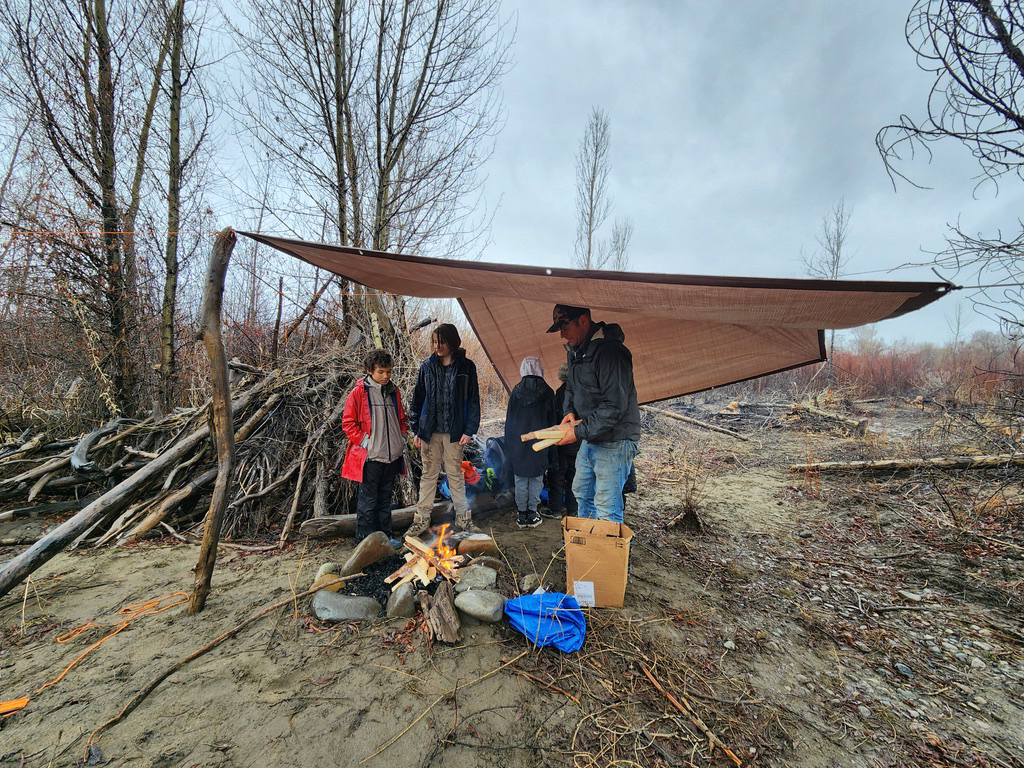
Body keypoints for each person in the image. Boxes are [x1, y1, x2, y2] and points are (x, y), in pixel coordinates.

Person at [548, 304, 640, 524]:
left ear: (583, 321)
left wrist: (578, 431)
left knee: (607, 507)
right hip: (591, 438)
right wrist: (569, 410)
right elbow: (570, 386)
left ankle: (609, 557)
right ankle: (589, 553)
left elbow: (614, 405)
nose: (562, 334)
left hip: (615, 441)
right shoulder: (576, 352)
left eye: (564, 326)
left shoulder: (611, 352)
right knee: (582, 495)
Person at [408, 323, 482, 536]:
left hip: (455, 433)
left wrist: (469, 430)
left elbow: (474, 401)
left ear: (452, 341)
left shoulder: (467, 367)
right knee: (429, 475)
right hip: (429, 433)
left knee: (456, 475)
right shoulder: (426, 367)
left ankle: (463, 518)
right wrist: (416, 430)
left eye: (442, 341)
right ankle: (421, 520)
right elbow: (417, 400)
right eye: (434, 342)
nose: (437, 346)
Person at [341, 349, 408, 548]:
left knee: (385, 499)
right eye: (381, 372)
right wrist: (366, 443)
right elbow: (348, 423)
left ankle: (385, 538)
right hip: (371, 457)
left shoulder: (393, 391)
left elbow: (402, 419)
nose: (386, 376)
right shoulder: (359, 393)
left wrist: (402, 438)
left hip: (392, 456)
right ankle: (365, 542)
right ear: (370, 371)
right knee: (368, 500)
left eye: (388, 371)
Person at [504, 356, 556, 529]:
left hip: (519, 442)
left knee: (520, 479)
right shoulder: (548, 392)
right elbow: (552, 422)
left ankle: (521, 514)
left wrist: (509, 446)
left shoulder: (516, 391)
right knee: (536, 479)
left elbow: (509, 422)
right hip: (540, 442)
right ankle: (532, 513)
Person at [543, 362, 578, 519]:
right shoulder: (583, 393)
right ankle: (573, 510)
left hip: (562, 442)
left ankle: (555, 510)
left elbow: (555, 419)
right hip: (579, 443)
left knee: (557, 477)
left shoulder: (560, 393)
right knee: (574, 478)